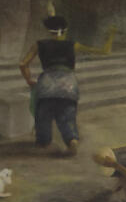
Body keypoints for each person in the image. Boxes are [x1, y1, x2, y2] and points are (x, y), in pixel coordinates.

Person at [19, 12, 80, 155]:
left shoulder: (39, 44)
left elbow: (23, 64)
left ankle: (43, 141)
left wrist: (28, 80)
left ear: (48, 30)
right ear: (65, 29)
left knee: (43, 114)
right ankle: (72, 140)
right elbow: (102, 51)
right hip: (69, 84)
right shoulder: (72, 44)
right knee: (67, 115)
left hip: (47, 84)